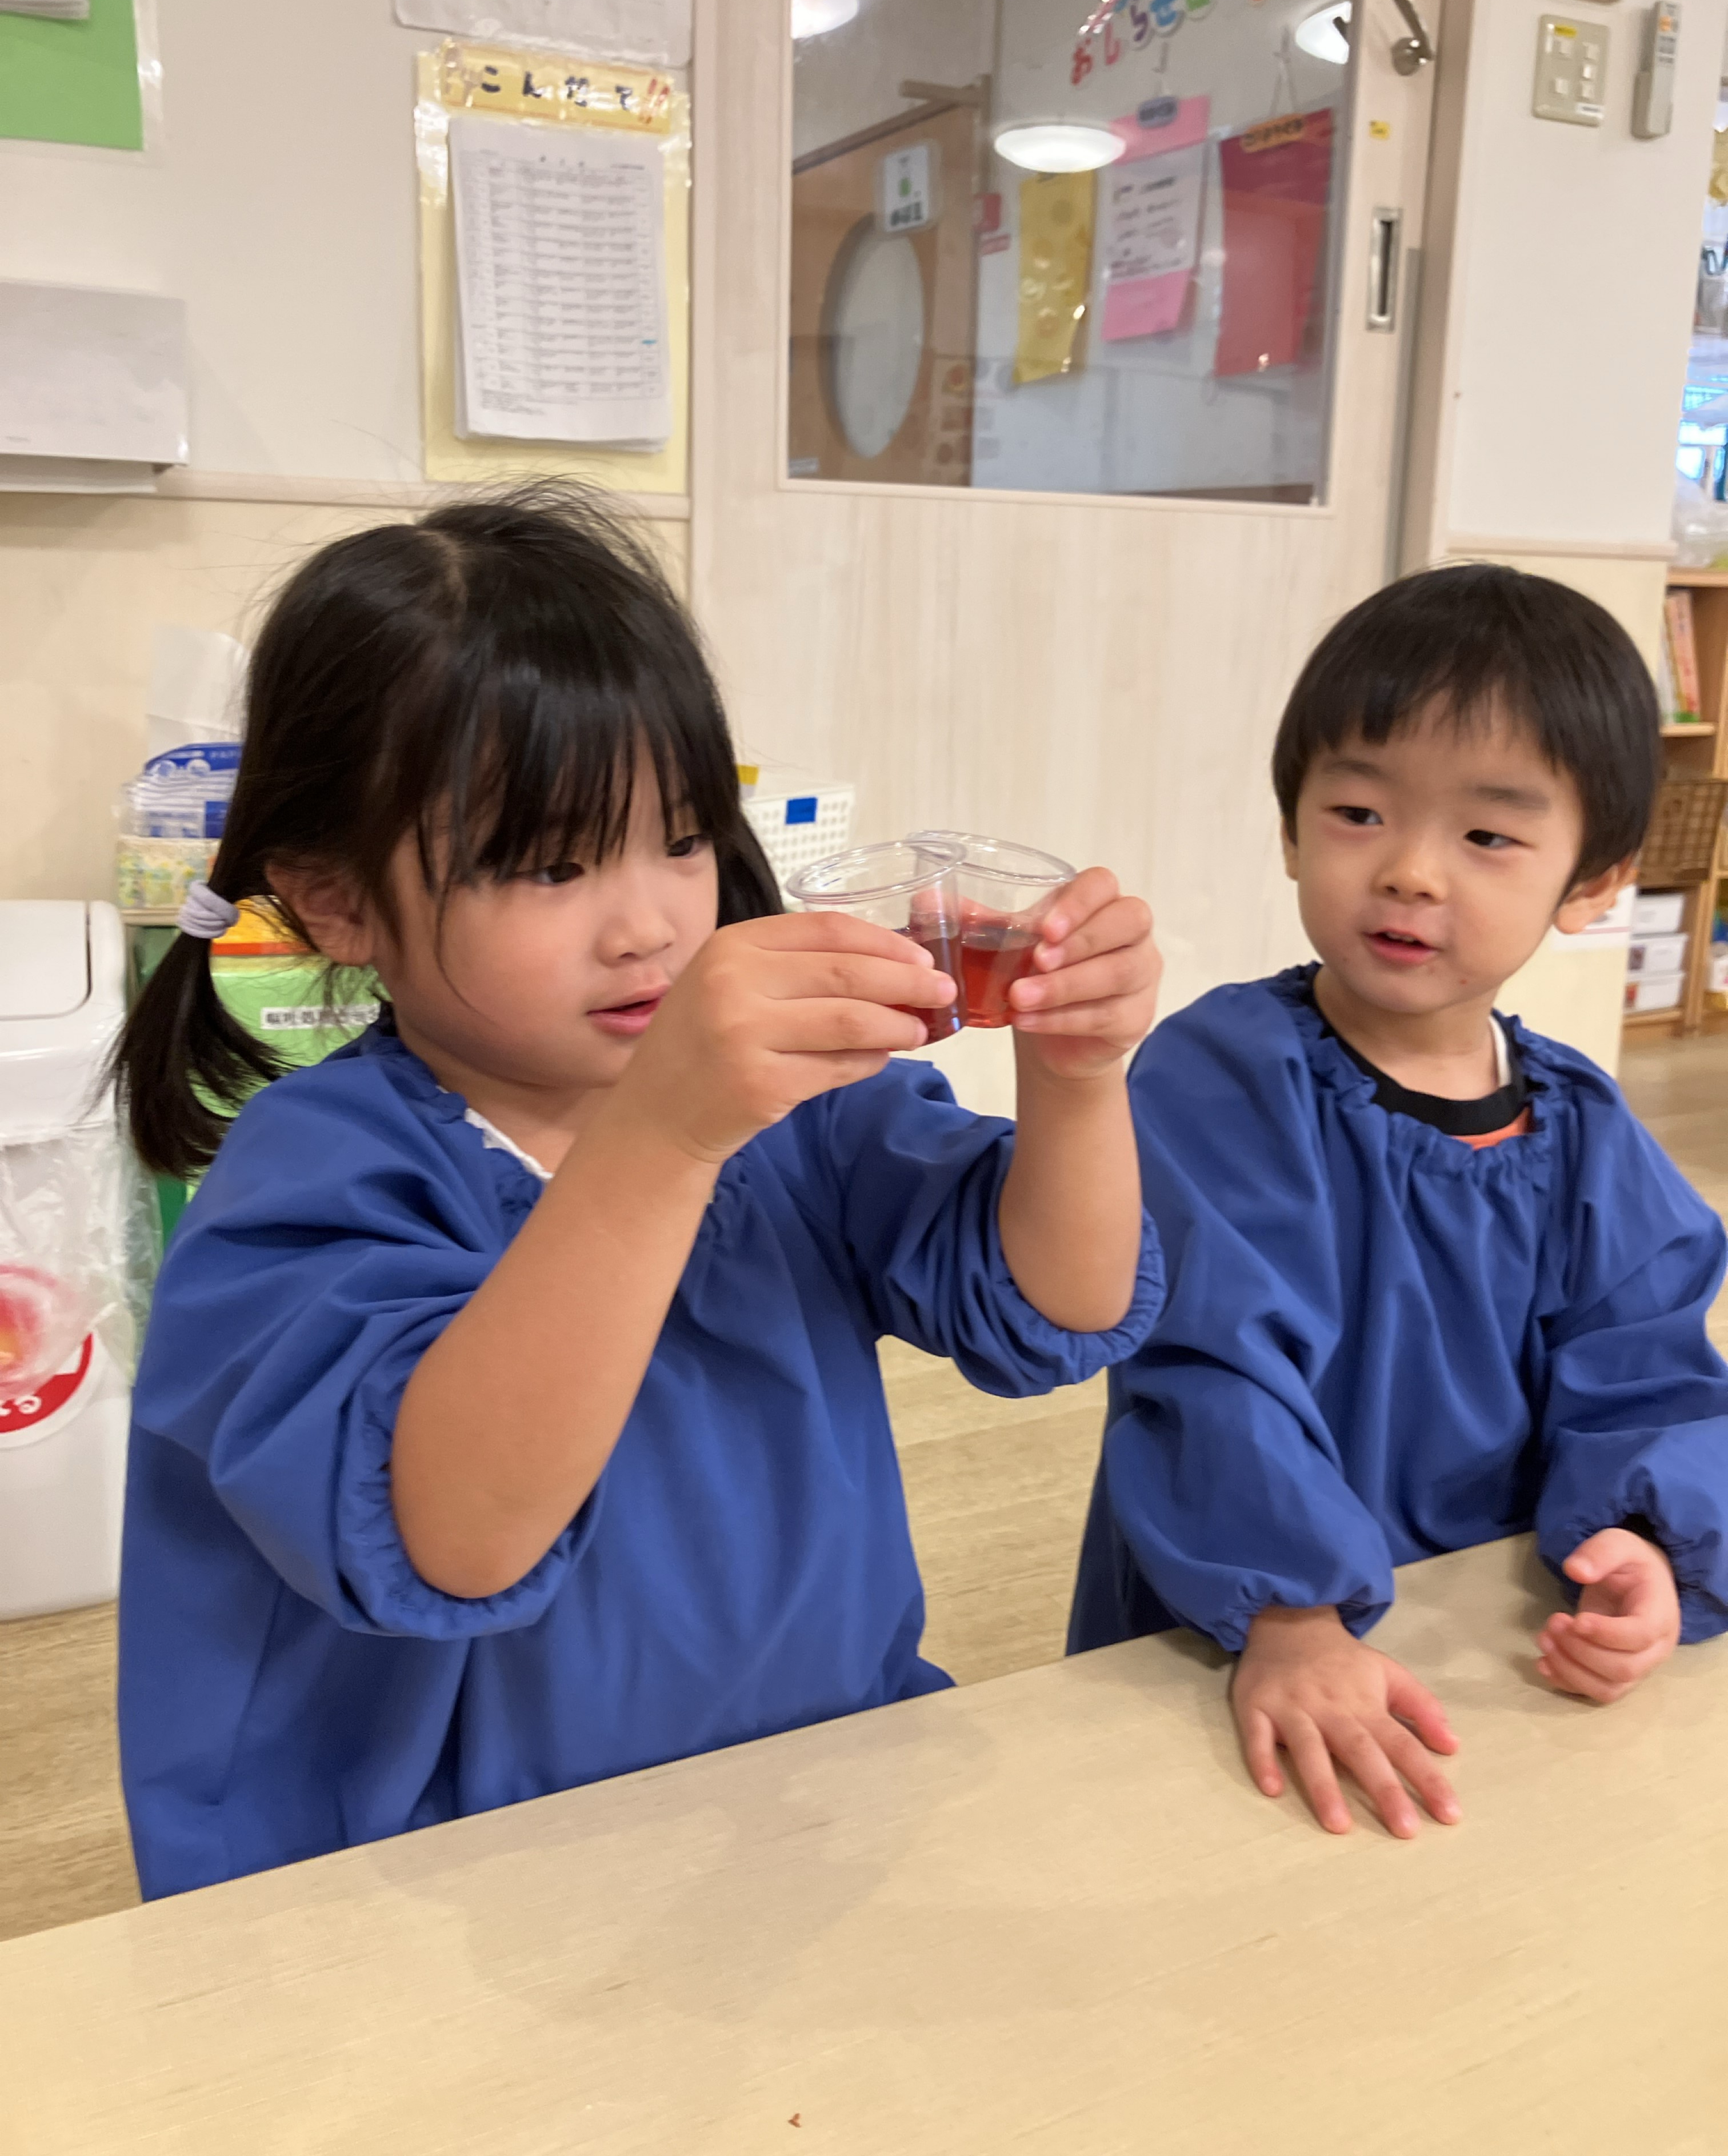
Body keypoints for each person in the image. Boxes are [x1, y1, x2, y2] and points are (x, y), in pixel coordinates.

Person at [114, 485, 1164, 1900]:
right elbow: (457, 1538)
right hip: (445, 1885)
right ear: (341, 900)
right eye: (549, 864)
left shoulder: (800, 1114)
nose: (650, 924)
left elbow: (1060, 1309)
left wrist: (1079, 1078)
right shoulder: (312, 1177)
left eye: (680, 837)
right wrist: (663, 1139)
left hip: (802, 1800)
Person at [1069, 564, 1728, 1840]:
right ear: (1292, 829)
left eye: (1488, 837)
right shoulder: (1224, 1073)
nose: (1412, 872)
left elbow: (1646, 1367)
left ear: (1593, 882)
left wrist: (1645, 1543)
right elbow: (1209, 1373)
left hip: (1486, 1624)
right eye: (1360, 812)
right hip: (1243, 1623)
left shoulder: (1584, 1127)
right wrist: (1291, 1614)